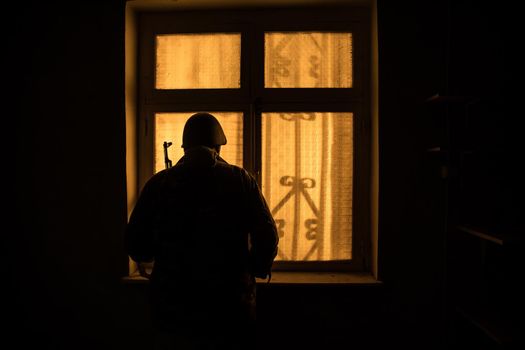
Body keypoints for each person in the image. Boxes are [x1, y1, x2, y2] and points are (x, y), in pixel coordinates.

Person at [125, 112, 279, 349]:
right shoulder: (240, 179)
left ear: (185, 146)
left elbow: (135, 242)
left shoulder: (159, 183)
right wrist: (256, 267)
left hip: (172, 305)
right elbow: (267, 234)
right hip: (229, 304)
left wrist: (156, 257)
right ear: (218, 145)